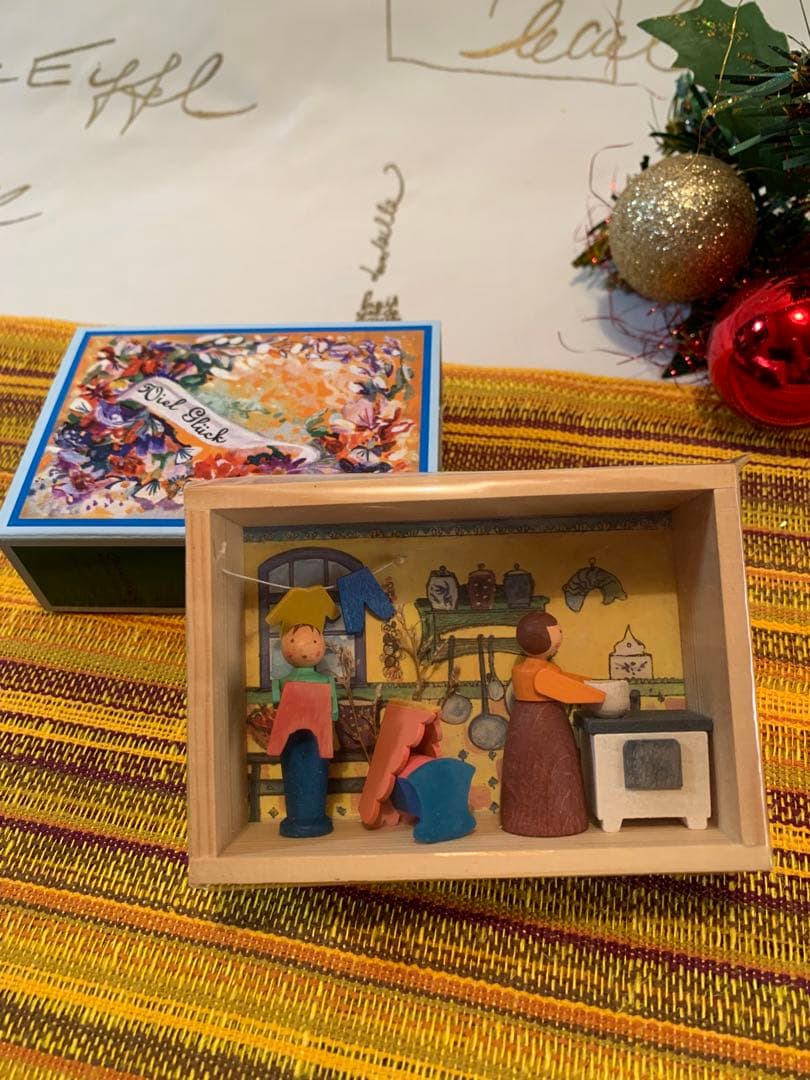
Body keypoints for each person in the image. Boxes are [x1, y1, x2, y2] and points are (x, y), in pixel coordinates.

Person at [501, 611, 605, 837]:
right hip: (544, 725)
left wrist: (594, 683)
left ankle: (527, 819)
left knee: (533, 773)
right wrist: (601, 694)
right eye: (556, 633)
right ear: (540, 639)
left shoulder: (531, 669)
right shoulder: (540, 674)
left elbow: (566, 679)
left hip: (525, 723)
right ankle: (555, 821)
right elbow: (567, 690)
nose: (560, 637)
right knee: (554, 771)